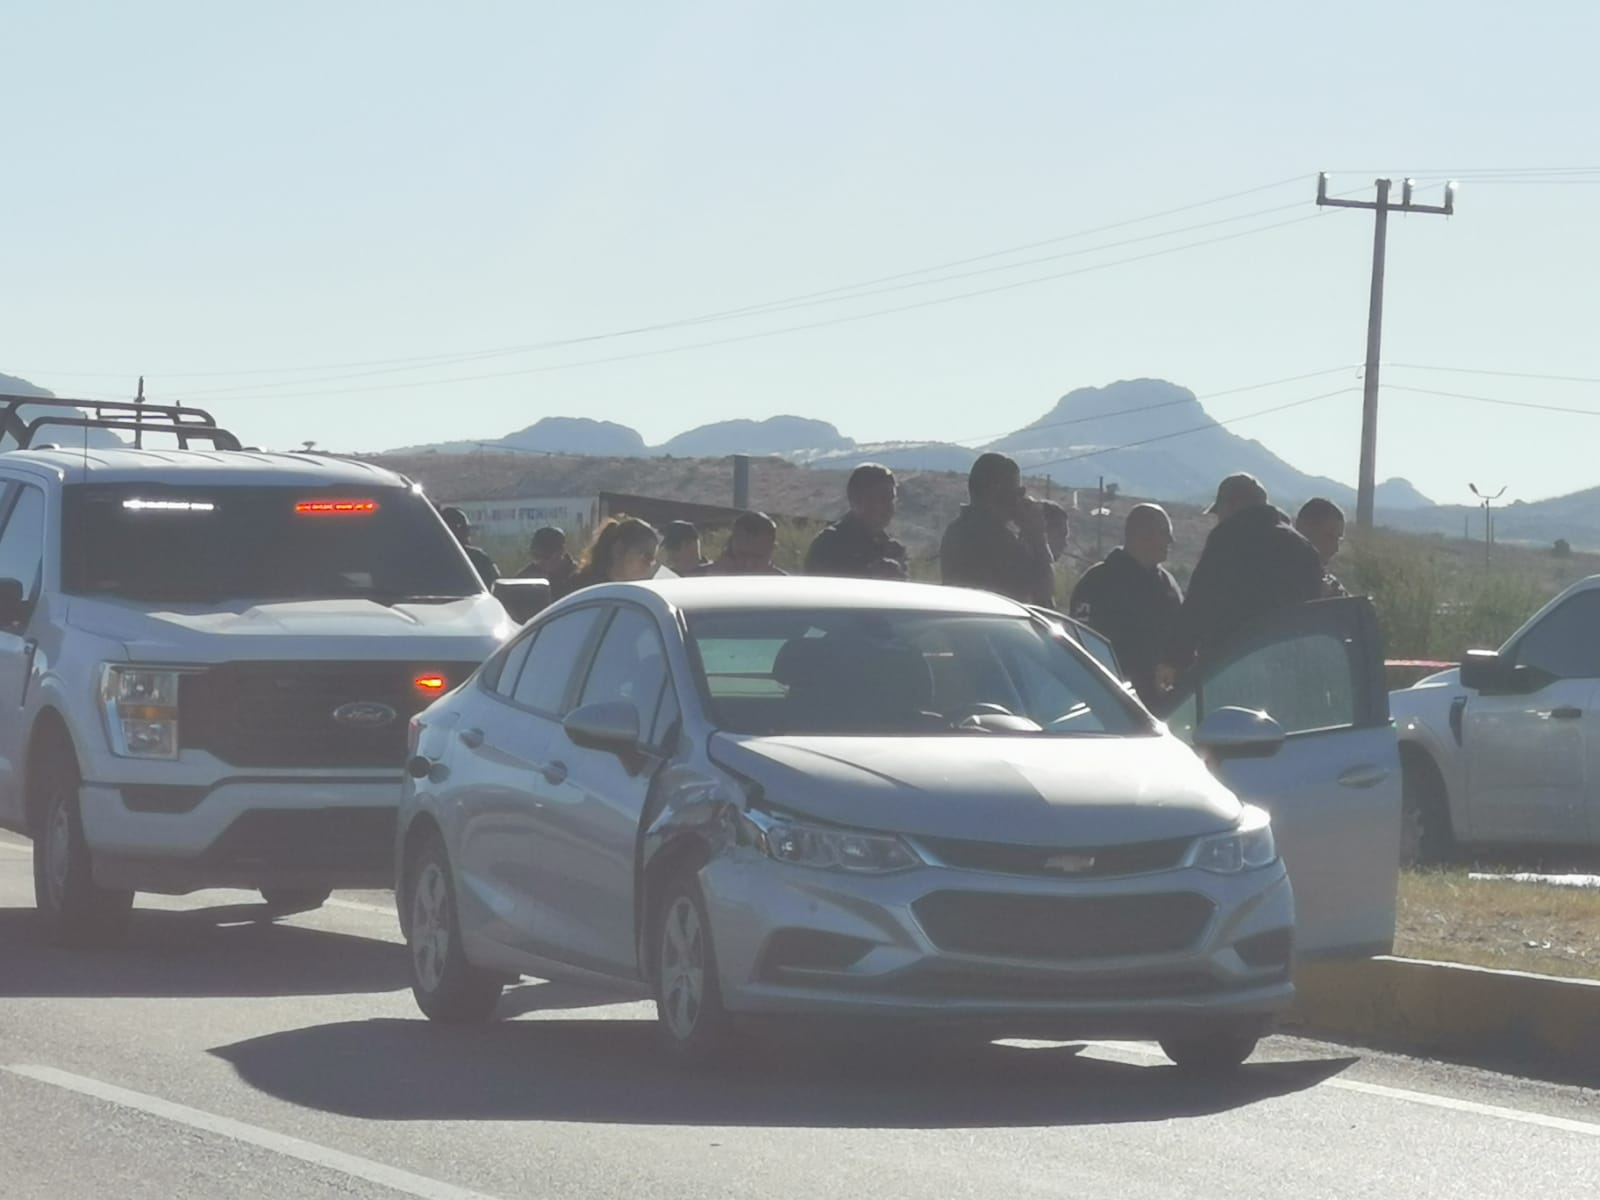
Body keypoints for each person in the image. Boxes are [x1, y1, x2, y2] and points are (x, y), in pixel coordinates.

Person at [1167, 473, 1323, 671]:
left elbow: (1200, 602)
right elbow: (1313, 611)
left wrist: (1175, 659)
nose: (1219, 519)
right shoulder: (1302, 546)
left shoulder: (1228, 538)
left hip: (1234, 664)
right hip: (1286, 664)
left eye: (1220, 511)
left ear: (1234, 505)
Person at [1069, 504, 1183, 708]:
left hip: (1164, 701)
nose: (1170, 541)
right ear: (1141, 534)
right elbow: (1083, 643)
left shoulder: (1167, 584)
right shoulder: (1098, 582)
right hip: (1113, 701)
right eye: (1164, 533)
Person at [939, 453, 1054, 606]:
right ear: (995, 491)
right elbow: (1042, 596)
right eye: (1018, 492)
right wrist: (1036, 535)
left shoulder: (956, 531)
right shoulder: (996, 540)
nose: (1021, 500)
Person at [804, 463, 909, 579]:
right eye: (871, 498)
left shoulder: (892, 549)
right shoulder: (829, 545)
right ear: (854, 500)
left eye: (889, 498)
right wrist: (870, 575)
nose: (882, 506)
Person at [561, 516, 660, 596]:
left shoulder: (636, 595)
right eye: (647, 557)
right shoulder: (584, 592)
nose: (650, 567)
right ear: (619, 549)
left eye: (653, 560)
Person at [1295, 497, 1350, 598]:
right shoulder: (1280, 578)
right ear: (1303, 528)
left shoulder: (1330, 584)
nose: (1335, 549)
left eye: (1338, 539)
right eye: (1329, 536)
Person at [705, 511, 787, 575]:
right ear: (729, 548)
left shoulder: (786, 587)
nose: (748, 565)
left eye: (758, 557)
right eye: (742, 555)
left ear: (771, 551)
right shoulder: (700, 580)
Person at [439, 506, 499, 588]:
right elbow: (497, 585)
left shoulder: (427, 559)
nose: (469, 533)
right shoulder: (478, 558)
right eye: (466, 528)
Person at [514, 526, 577, 593]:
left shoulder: (577, 575)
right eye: (536, 555)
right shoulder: (526, 577)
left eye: (545, 555)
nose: (540, 561)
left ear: (561, 551)